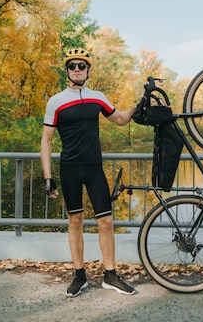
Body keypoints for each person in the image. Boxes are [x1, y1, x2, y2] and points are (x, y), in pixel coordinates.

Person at [40, 48, 138, 297]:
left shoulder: (97, 97)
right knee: (75, 220)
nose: (76, 70)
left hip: (94, 168)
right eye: (72, 66)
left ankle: (110, 276)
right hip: (70, 168)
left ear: (88, 70)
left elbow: (121, 119)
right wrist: (47, 177)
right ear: (67, 71)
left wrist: (139, 104)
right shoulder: (56, 101)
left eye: (81, 66)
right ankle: (79, 275)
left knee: (105, 221)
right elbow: (46, 141)